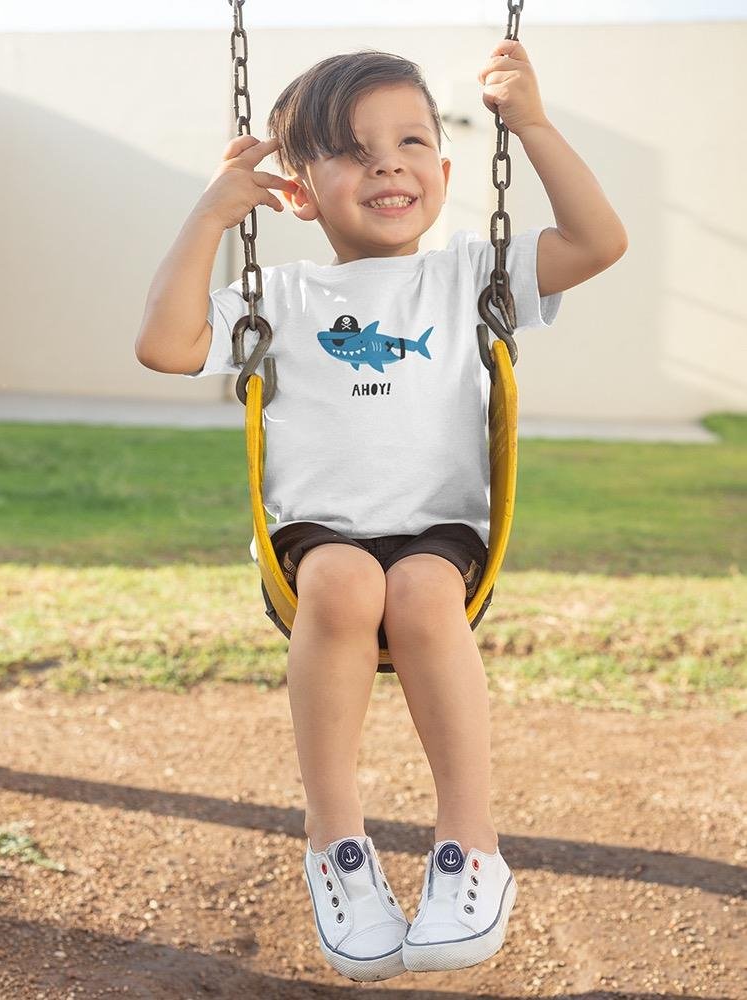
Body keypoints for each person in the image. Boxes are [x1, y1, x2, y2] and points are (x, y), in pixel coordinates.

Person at [136, 39, 627, 982]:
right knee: (344, 580)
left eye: (409, 141)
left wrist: (529, 123)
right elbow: (164, 345)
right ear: (300, 192)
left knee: (423, 594)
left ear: (445, 172)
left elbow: (600, 242)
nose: (388, 162)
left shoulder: (469, 276)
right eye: (354, 150)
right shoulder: (276, 294)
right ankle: (336, 845)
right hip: (314, 536)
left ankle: (470, 847)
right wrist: (209, 213)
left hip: (441, 532)